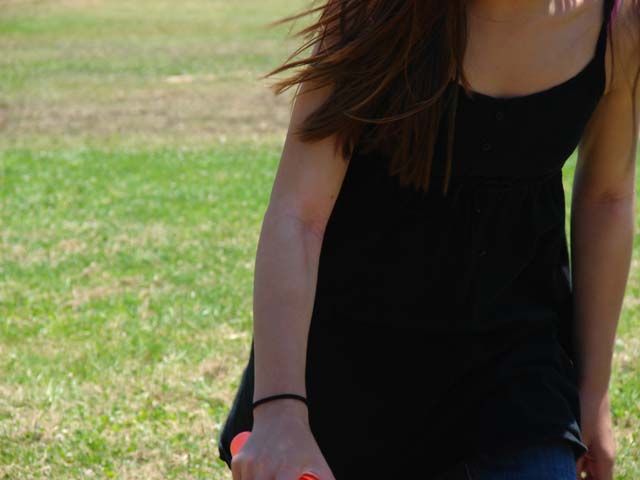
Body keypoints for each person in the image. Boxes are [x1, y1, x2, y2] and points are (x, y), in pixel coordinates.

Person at [218, 0, 639, 479]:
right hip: (347, 369)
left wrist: (593, 394)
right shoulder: (373, 14)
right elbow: (299, 215)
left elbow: (607, 198)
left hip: (516, 372)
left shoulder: (616, 21)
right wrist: (281, 412)